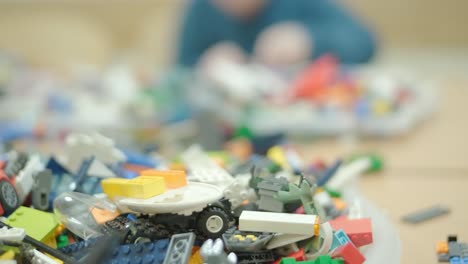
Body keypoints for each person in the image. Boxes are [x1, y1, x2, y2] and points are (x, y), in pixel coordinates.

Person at [177, 0, 377, 69]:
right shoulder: (201, 9)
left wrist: (308, 39)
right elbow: (179, 69)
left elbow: (365, 42)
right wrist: (202, 65)